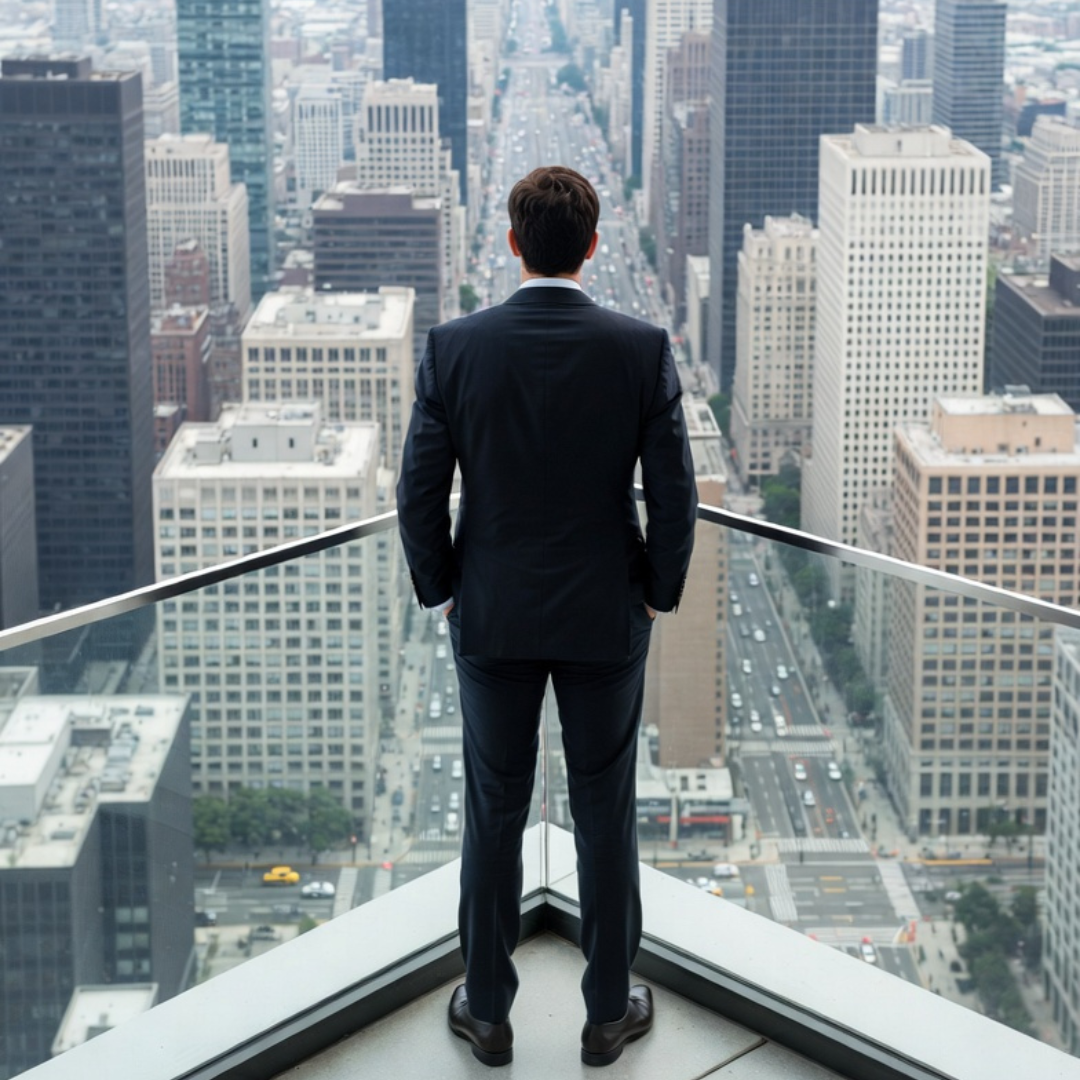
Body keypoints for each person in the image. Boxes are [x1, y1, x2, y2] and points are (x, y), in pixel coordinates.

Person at [396, 165, 697, 1068]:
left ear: (515, 244)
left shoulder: (456, 347)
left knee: (494, 809)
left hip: (491, 617)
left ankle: (486, 1013)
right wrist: (657, 588)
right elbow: (675, 494)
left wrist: (444, 586)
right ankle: (609, 1012)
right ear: (595, 246)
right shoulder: (639, 348)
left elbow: (418, 489)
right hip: (607, 614)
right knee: (607, 811)